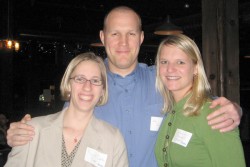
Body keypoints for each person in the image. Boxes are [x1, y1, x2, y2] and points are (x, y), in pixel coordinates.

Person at [6, 6, 242, 167]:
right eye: (115, 33)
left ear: (140, 38)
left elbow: (195, 100)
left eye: (130, 34)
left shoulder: (161, 80)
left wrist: (233, 109)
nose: (123, 42)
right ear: (103, 37)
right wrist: (25, 133)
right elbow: (57, 132)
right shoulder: (88, 90)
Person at [4, 52, 128, 167]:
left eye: (95, 81)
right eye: (80, 79)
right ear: (68, 85)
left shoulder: (112, 140)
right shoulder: (33, 130)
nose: (87, 87)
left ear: (102, 90)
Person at [154, 34, 245, 167]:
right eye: (164, 62)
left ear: (196, 68)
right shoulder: (171, 111)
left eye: (180, 62)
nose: (170, 69)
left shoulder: (214, 114)